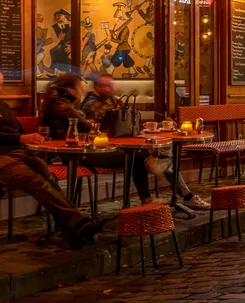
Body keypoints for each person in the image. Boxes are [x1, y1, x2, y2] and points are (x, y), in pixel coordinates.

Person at [88, 78, 211, 211]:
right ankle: (177, 187)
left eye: (110, 85)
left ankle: (165, 172)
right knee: (142, 155)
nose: (109, 88)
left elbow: (130, 113)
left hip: (125, 140)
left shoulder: (113, 100)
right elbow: (96, 126)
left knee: (162, 148)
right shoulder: (92, 103)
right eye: (105, 85)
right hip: (106, 146)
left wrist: (160, 119)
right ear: (96, 86)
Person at [0, 100, 108, 249]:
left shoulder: (3, 105)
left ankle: (72, 229)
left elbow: (16, 130)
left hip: (17, 151)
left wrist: (29, 143)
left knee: (48, 177)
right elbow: (16, 136)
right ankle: (77, 223)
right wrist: (20, 139)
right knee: (36, 182)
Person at [41, 73, 155, 205]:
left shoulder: (61, 103)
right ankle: (146, 194)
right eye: (79, 87)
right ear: (70, 89)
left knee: (135, 154)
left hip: (80, 150)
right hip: (75, 154)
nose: (81, 91)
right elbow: (84, 126)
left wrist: (87, 124)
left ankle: (146, 196)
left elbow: (83, 125)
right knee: (135, 156)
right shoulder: (63, 106)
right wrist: (88, 124)